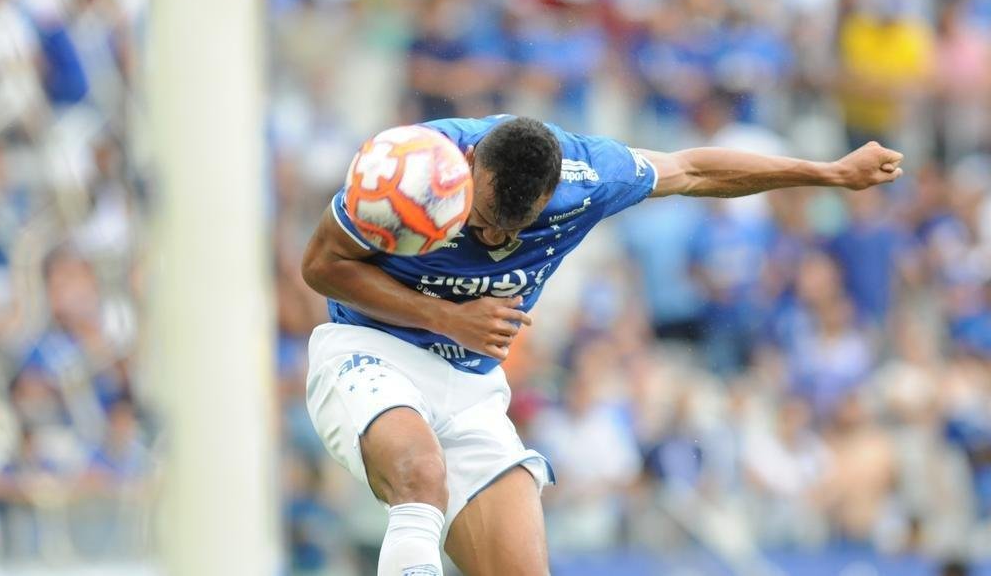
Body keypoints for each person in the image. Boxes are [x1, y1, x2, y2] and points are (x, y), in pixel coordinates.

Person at [300, 115, 903, 576]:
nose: (491, 237)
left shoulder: (590, 178)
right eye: (481, 218)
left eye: (513, 229)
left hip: (471, 384)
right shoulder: (414, 165)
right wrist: (444, 316)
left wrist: (826, 173)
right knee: (421, 477)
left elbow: (693, 170)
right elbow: (321, 263)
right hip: (370, 347)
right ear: (471, 165)